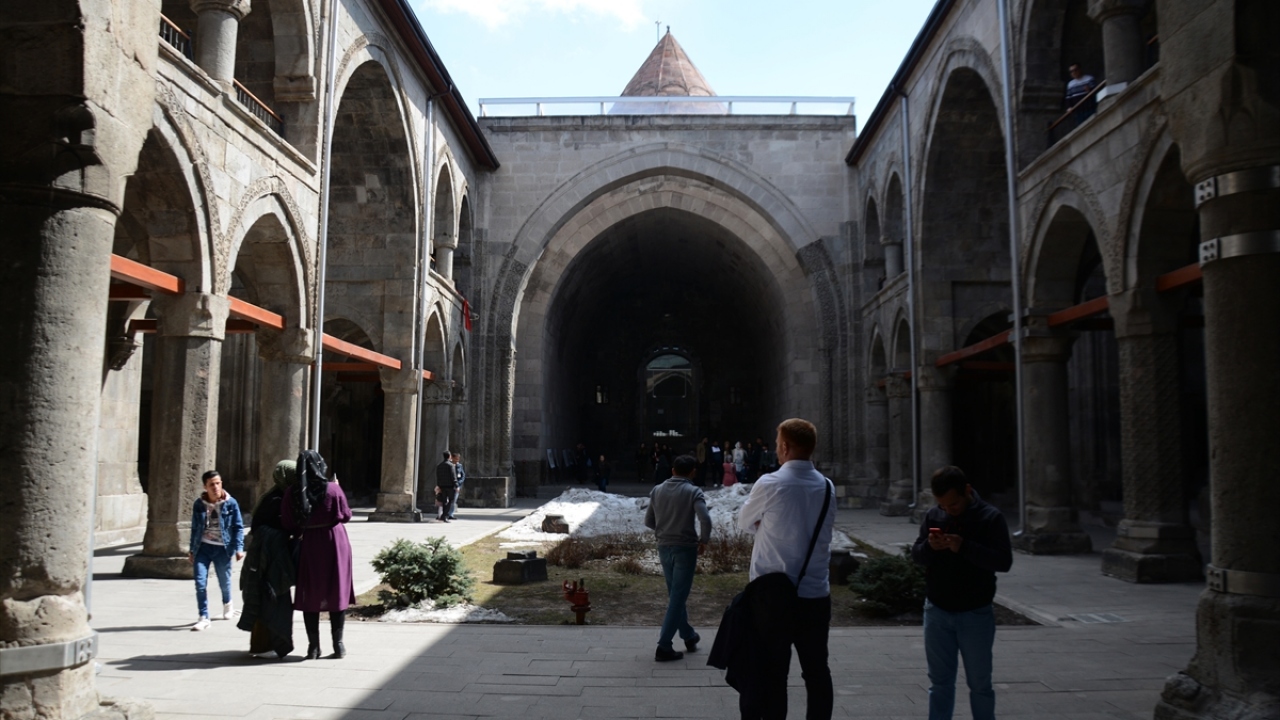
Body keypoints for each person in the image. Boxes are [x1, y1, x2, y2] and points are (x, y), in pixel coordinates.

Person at [736, 418, 835, 720]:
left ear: (785, 447)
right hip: (815, 594)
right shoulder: (828, 487)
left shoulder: (771, 484)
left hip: (773, 597)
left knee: (773, 672)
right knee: (816, 671)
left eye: (779, 444)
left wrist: (767, 524)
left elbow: (743, 522)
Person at [911, 466, 1013, 720]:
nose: (948, 510)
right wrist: (930, 547)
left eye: (953, 504)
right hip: (937, 611)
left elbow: (1003, 561)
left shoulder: (990, 518)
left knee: (980, 685)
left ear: (967, 491)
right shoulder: (934, 515)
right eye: (942, 505)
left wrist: (964, 546)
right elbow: (917, 555)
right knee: (940, 683)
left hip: (975, 613)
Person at [282, 450, 355, 660]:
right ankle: (338, 644)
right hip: (335, 541)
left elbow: (287, 521)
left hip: (310, 543)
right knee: (336, 589)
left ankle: (313, 647)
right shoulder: (333, 489)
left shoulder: (293, 492)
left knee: (310, 592)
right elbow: (347, 515)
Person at [644, 454, 712, 662]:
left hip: (664, 546)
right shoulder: (693, 491)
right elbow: (705, 519)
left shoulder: (657, 490)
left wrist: (665, 530)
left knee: (676, 595)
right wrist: (703, 540)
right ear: (692, 472)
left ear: (672, 470)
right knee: (678, 597)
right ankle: (664, 646)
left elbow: (649, 521)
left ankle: (689, 636)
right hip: (685, 548)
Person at [238, 460, 298, 658]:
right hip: (267, 559)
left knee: (276, 601)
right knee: (269, 600)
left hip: (274, 557)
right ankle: (263, 645)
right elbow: (261, 529)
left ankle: (270, 644)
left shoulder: (282, 496)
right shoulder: (274, 500)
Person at [188, 470, 245, 631]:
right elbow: (194, 528)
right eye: (211, 484)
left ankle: (228, 605)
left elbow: (238, 527)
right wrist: (192, 550)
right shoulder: (199, 504)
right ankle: (203, 617)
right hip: (203, 547)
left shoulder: (231, 503)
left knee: (224, 582)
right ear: (205, 486)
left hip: (223, 548)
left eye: (218, 483)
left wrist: (239, 548)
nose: (215, 487)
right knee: (200, 582)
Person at [1065, 63, 1098, 127]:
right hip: (1079, 111)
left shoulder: (1089, 79)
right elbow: (1068, 97)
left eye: (1075, 70)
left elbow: (1096, 91)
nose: (1074, 72)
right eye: (1071, 71)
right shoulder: (1070, 84)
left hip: (1090, 108)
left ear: (1079, 70)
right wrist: (1069, 107)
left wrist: (1089, 90)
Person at [435, 451, 457, 522]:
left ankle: (443, 515)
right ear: (449, 456)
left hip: (442, 486)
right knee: (450, 501)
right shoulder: (451, 465)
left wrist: (439, 485)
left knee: (444, 501)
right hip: (450, 486)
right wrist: (456, 484)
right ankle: (444, 516)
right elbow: (453, 476)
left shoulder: (439, 465)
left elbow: (438, 476)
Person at [449, 452, 465, 519]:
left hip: (457, 486)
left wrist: (459, 483)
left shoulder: (460, 466)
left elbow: (463, 475)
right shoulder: (449, 465)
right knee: (448, 500)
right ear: (452, 458)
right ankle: (446, 512)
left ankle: (451, 514)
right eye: (455, 459)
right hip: (450, 485)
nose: (457, 461)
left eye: (458, 459)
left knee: (454, 500)